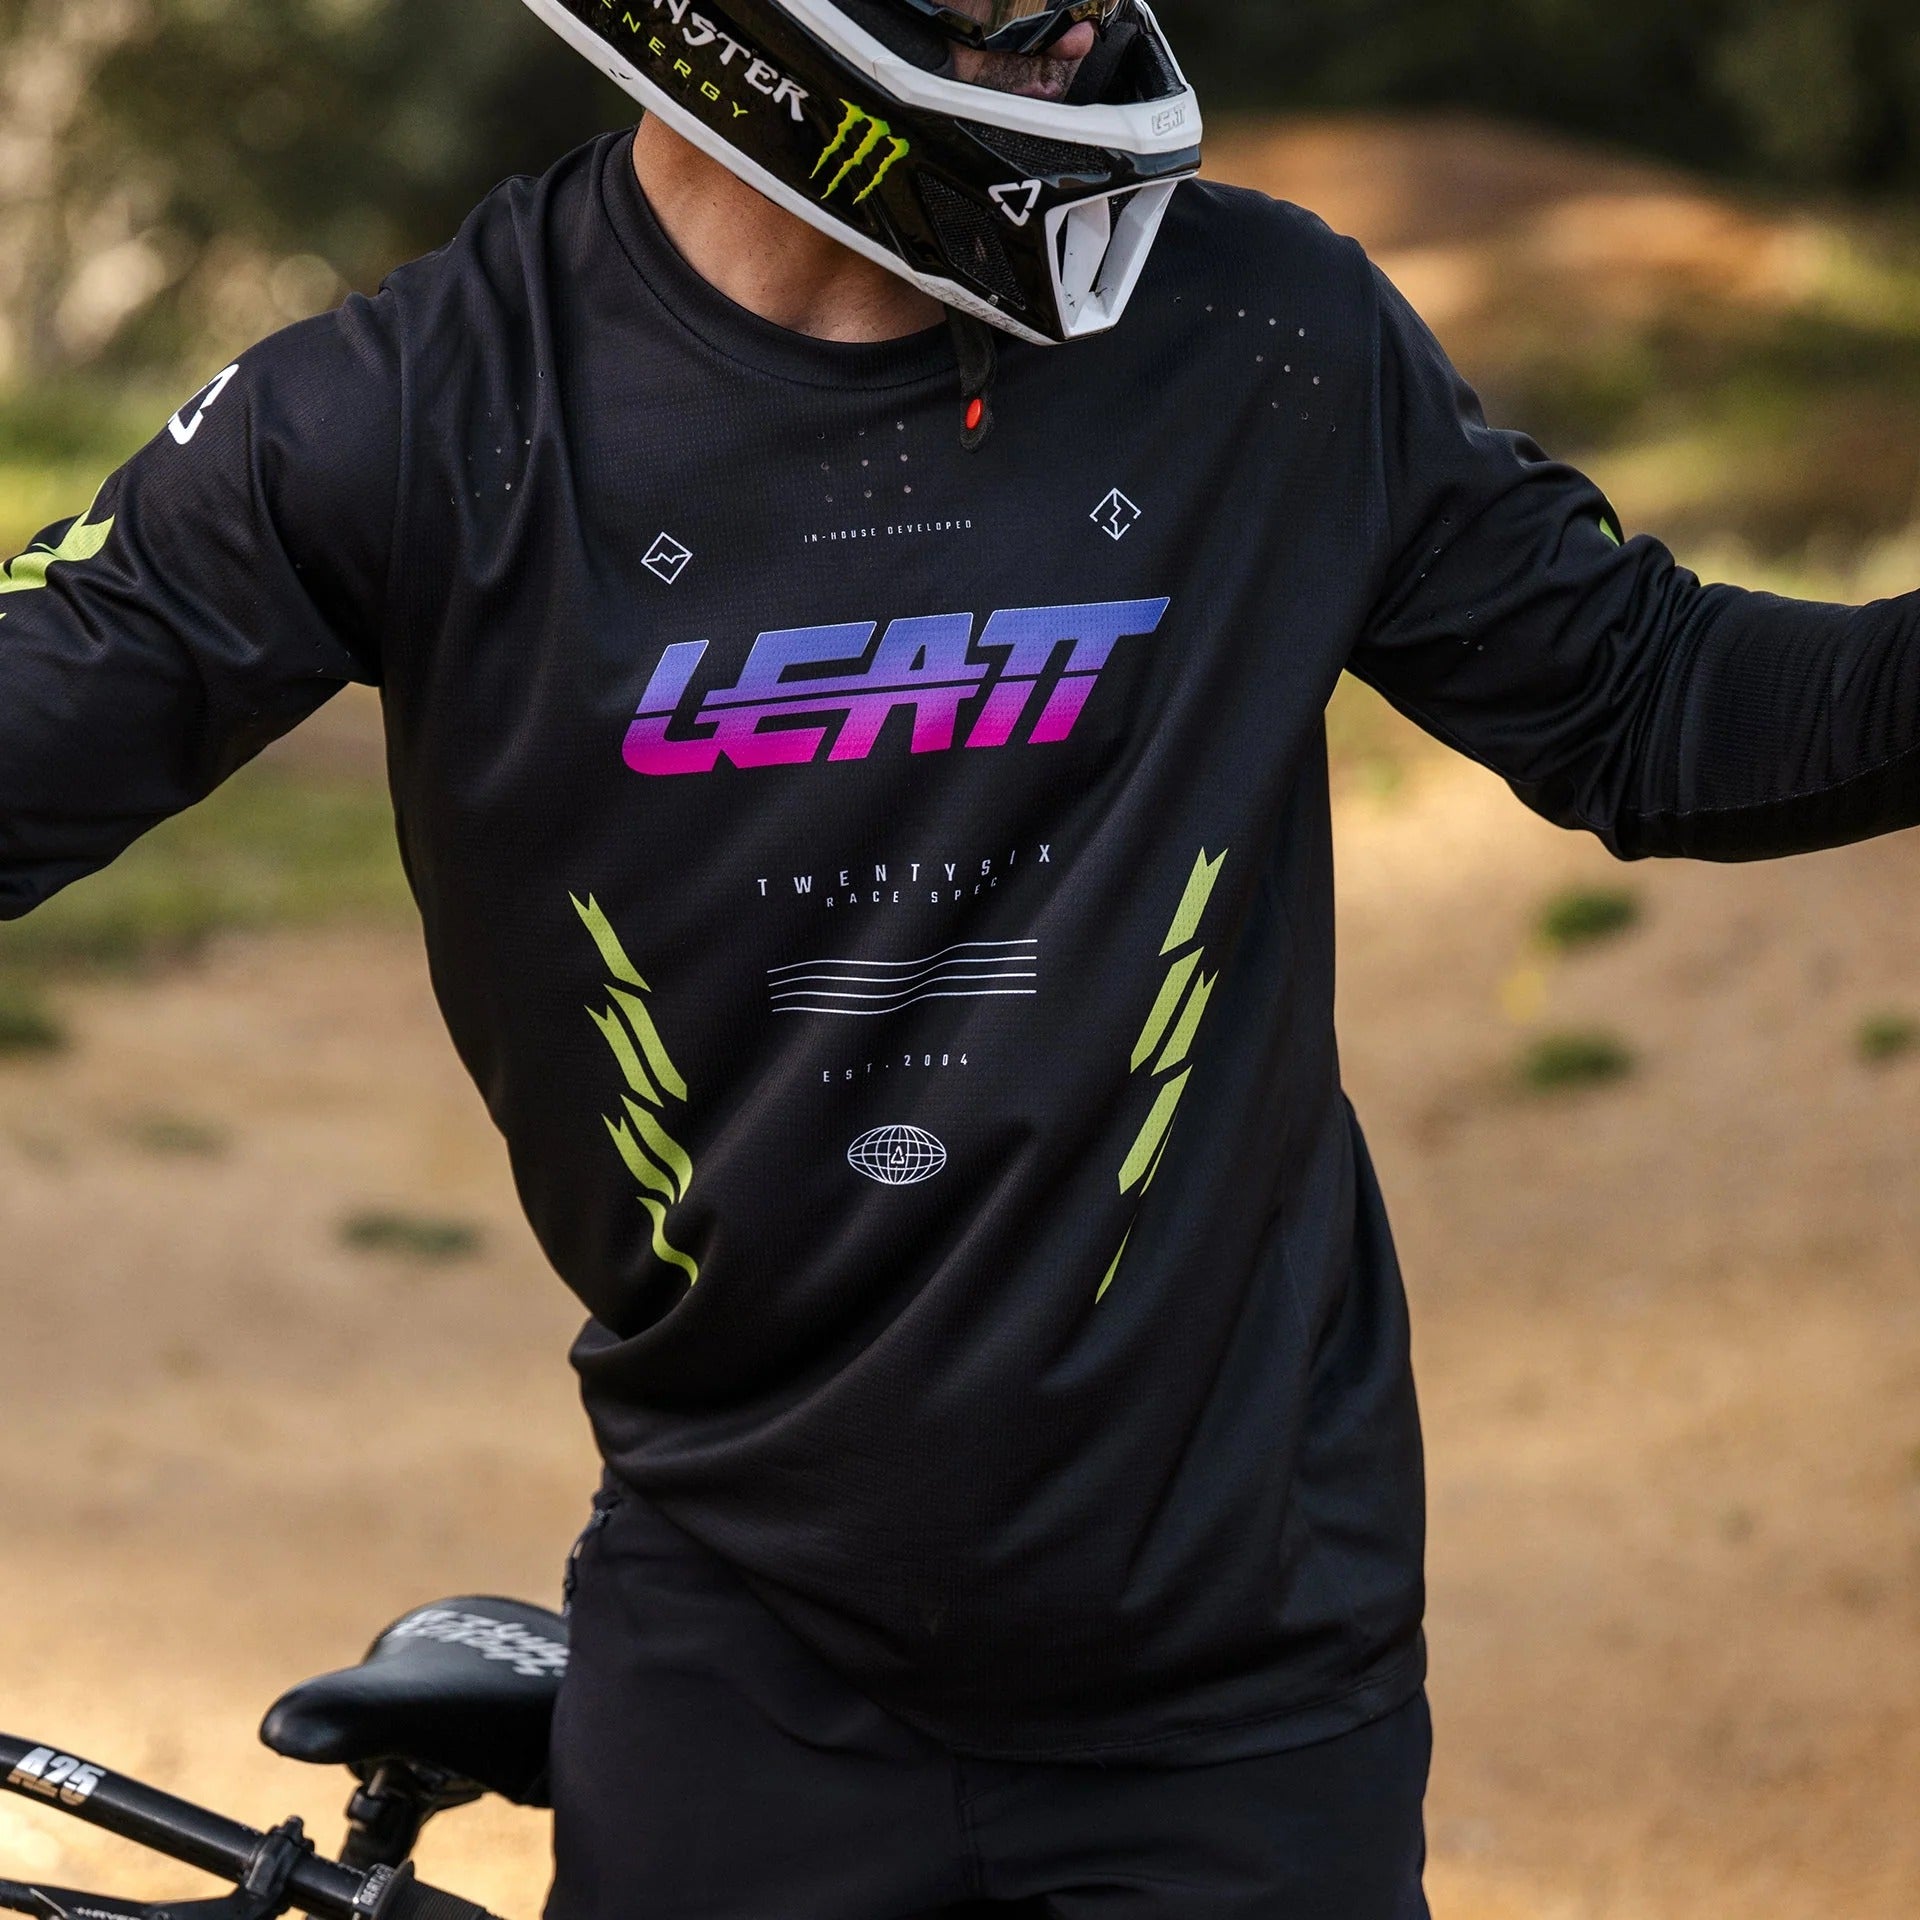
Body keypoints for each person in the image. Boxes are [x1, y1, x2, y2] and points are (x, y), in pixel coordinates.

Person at [1, 0, 1915, 1914]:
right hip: (742, 1657)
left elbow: (1655, 703)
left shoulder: (1267, 338)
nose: (1072, 19)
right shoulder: (425, 412)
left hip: (1245, 1671)